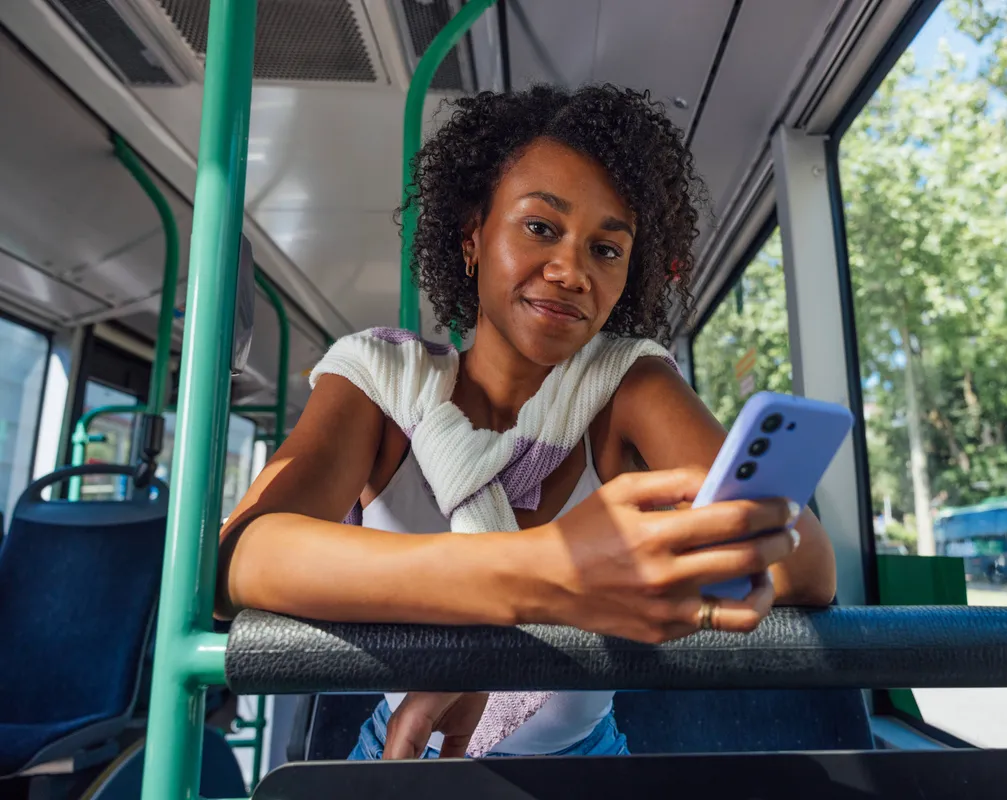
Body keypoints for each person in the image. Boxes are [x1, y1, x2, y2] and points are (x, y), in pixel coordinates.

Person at [215, 84, 836, 762]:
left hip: (584, 766)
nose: (571, 271)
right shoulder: (380, 382)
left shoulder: (629, 384)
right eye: (541, 228)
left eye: (607, 249)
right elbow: (239, 559)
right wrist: (545, 576)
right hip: (401, 751)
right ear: (472, 237)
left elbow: (805, 560)